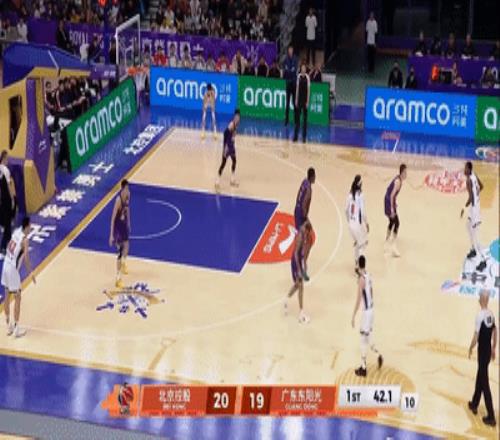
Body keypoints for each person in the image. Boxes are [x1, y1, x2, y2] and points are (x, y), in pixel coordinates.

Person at [468, 290, 497, 427]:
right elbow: (495, 331)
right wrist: (494, 348)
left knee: (484, 383)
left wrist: (470, 347)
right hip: (487, 352)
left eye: (480, 297)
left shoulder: (480, 316)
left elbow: (476, 336)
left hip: (482, 352)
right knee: (480, 377)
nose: (479, 299)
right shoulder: (491, 314)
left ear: (482, 299)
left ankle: (491, 416)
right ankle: (474, 404)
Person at [1, 216, 34, 338]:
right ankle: (16, 328)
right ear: (27, 226)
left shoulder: (16, 232)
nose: (31, 228)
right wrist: (31, 273)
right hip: (12, 270)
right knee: (17, 297)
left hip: (6, 264)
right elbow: (26, 258)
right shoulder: (25, 240)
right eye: (30, 226)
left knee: (7, 295)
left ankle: (8, 326)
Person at [351, 256, 383, 377]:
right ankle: (378, 354)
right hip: (371, 309)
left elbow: (359, 299)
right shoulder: (368, 275)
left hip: (366, 313)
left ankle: (363, 368)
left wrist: (353, 315)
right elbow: (372, 291)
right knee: (368, 336)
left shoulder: (361, 280)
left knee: (362, 339)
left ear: (358, 264)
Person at [284, 220, 313, 324]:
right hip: (295, 262)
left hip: (299, 261)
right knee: (300, 286)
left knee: (297, 285)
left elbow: (304, 254)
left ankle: (286, 300)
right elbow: (296, 253)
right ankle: (301, 315)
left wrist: (305, 266)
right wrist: (299, 270)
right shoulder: (300, 236)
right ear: (306, 230)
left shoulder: (306, 235)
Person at [461, 162, 486, 272]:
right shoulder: (474, 175)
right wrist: (477, 196)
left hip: (474, 209)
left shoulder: (468, 181)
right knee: (468, 226)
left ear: (469, 169)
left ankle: (482, 260)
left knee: (476, 235)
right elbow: (481, 186)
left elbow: (471, 197)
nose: (464, 170)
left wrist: (463, 207)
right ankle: (473, 250)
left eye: (465, 168)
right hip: (475, 207)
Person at [294, 167, 315, 280]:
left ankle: (302, 264)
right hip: (301, 215)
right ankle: (300, 269)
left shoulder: (304, 182)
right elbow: (304, 205)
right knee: (305, 239)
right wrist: (306, 219)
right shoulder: (309, 190)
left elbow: (298, 197)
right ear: (312, 177)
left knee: (307, 239)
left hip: (297, 212)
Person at [109, 180, 131, 288]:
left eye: (128, 188)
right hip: (117, 227)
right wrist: (111, 235)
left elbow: (127, 209)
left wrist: (129, 222)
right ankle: (118, 279)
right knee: (120, 252)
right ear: (122, 189)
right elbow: (113, 218)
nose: (127, 190)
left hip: (123, 225)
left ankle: (124, 262)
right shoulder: (118, 201)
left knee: (127, 245)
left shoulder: (128, 195)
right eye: (126, 188)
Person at [345, 175, 369, 274]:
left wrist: (349, 221)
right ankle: (360, 268)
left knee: (357, 243)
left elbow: (346, 210)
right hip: (357, 225)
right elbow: (362, 212)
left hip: (350, 224)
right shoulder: (360, 196)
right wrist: (366, 223)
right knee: (362, 245)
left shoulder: (350, 195)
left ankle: (356, 263)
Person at [384, 164, 407, 257]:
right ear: (402, 173)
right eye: (405, 172)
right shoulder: (398, 182)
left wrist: (394, 204)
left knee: (392, 222)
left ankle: (387, 240)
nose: (406, 174)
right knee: (397, 223)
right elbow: (392, 195)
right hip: (389, 202)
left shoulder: (399, 180)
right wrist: (392, 209)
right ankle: (393, 246)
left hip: (388, 201)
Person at [215, 109, 240, 190]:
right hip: (227, 146)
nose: (237, 118)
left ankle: (232, 180)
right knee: (223, 163)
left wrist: (233, 140)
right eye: (236, 116)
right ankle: (217, 181)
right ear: (234, 116)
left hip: (231, 146)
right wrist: (225, 146)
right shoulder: (231, 124)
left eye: (238, 117)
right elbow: (225, 133)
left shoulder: (237, 124)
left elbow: (232, 135)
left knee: (234, 161)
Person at [0, 151, 16, 257]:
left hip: (1, 200)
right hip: (6, 200)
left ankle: (8, 246)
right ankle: (3, 247)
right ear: (4, 158)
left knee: (6, 223)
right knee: (8, 224)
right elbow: (9, 186)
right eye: (7, 159)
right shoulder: (5, 170)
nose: (8, 161)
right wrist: (12, 199)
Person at [294, 63, 310, 143]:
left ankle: (304, 137)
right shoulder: (298, 77)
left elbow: (309, 90)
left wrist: (307, 101)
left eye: (304, 68)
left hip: (304, 100)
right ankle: (296, 136)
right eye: (302, 68)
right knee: (297, 119)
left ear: (305, 69)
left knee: (304, 120)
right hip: (299, 100)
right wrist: (296, 99)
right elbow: (297, 88)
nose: (303, 69)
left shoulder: (307, 77)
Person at [283, 45, 298, 126]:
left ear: (293, 50)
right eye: (289, 50)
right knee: (287, 102)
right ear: (288, 51)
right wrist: (289, 70)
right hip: (288, 83)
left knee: (294, 102)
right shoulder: (286, 59)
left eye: (291, 49)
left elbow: (294, 70)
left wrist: (289, 70)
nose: (290, 51)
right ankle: (286, 120)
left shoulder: (295, 59)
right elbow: (286, 70)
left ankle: (296, 119)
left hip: (294, 83)